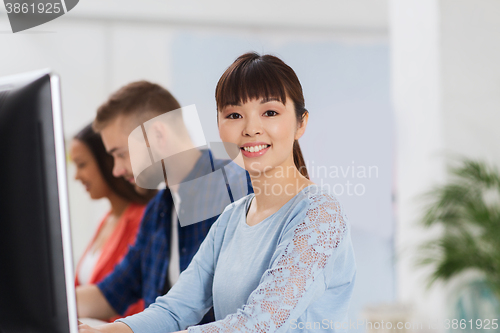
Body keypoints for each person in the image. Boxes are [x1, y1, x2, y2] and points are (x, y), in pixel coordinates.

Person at [79, 52, 357, 333]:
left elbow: (259, 324)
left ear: (301, 123)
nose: (250, 129)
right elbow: (175, 309)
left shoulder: (320, 213)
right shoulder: (231, 218)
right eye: (234, 115)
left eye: (270, 112)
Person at [76, 81, 252, 323]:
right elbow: (110, 294)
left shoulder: (238, 189)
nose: (116, 170)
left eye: (120, 154)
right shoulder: (157, 211)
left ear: (158, 135)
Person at [70, 124, 157, 321]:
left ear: (107, 162)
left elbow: (134, 304)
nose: (76, 176)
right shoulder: (106, 219)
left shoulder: (143, 219)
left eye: (82, 164)